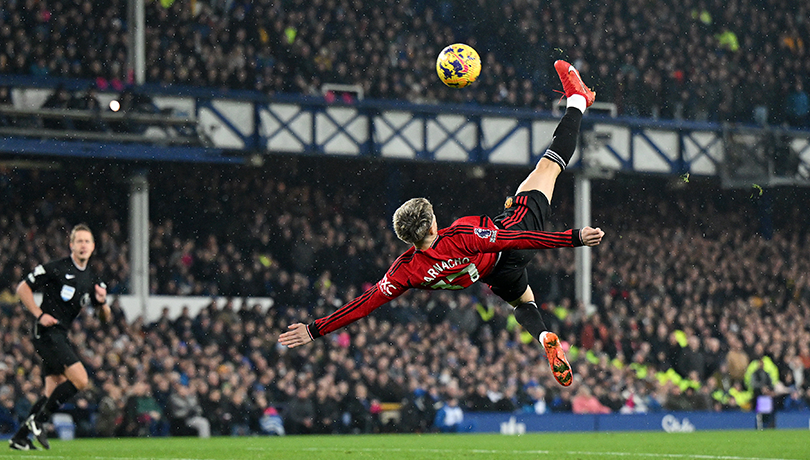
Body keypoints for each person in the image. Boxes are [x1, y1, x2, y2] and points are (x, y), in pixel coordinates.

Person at [279, 60, 602, 388]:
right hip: (512, 241)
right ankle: (578, 99)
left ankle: (544, 334)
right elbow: (511, 240)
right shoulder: (460, 234)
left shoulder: (406, 270)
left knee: (523, 301)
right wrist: (574, 237)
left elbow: (363, 305)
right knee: (549, 166)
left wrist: (315, 329)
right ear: (433, 224)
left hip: (494, 275)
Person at [8, 224, 111, 451]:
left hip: (60, 334)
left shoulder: (91, 279)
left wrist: (103, 303)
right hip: (46, 332)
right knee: (81, 380)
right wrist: (39, 313)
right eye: (79, 241)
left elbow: (105, 318)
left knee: (51, 392)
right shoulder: (56, 268)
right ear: (71, 245)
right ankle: (39, 421)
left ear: (93, 247)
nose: (83, 245)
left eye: (87, 241)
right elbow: (22, 288)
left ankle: (20, 438)